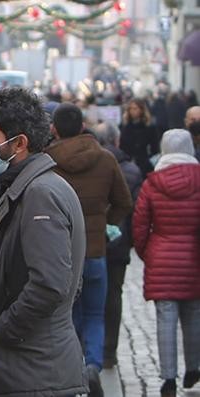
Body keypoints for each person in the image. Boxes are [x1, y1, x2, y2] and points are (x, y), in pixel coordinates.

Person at [0, 87, 88, 396]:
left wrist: (2, 331)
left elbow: (51, 284)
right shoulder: (25, 186)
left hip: (30, 372)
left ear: (19, 143)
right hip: (25, 369)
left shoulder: (41, 193)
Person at [45, 103, 133, 395]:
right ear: (83, 126)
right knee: (96, 314)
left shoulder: (47, 160)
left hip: (61, 252)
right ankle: (92, 365)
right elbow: (124, 202)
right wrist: (104, 224)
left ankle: (72, 370)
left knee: (67, 315)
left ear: (54, 128)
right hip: (95, 250)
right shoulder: (106, 159)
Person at [132, 129, 200, 397]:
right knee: (194, 315)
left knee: (166, 320)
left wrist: (147, 253)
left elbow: (140, 225)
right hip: (194, 257)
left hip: (161, 254)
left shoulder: (153, 182)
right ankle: (194, 367)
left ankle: (168, 378)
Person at [92, 122, 143, 369]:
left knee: (90, 299)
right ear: (117, 140)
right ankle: (109, 350)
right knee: (113, 295)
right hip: (119, 241)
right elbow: (131, 207)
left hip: (92, 241)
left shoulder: (91, 164)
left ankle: (91, 350)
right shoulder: (131, 169)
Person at [120, 98, 159, 174]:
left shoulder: (149, 127)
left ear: (141, 110)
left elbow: (155, 147)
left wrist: (149, 159)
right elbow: (122, 146)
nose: (132, 111)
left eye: (135, 108)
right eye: (130, 109)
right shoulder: (125, 127)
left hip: (145, 163)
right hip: (128, 164)